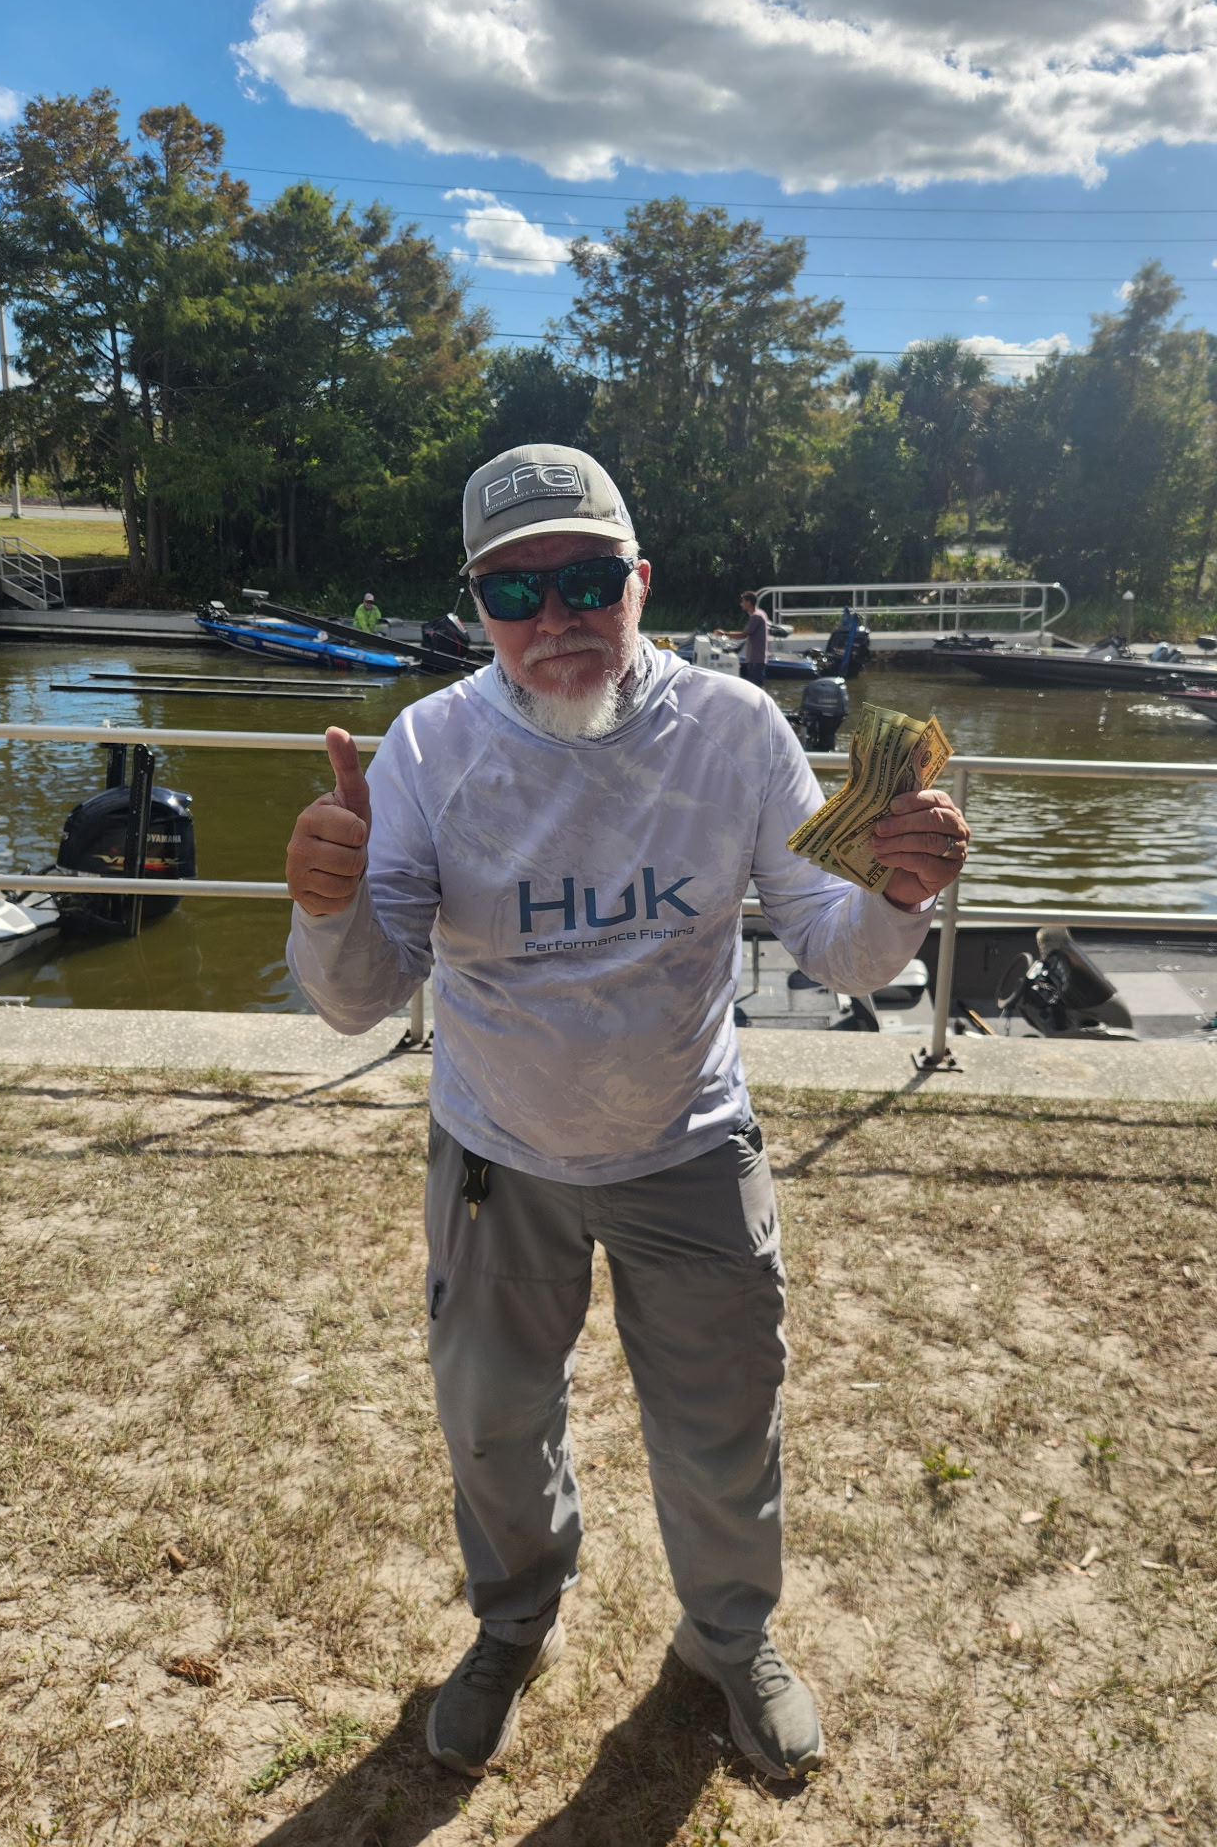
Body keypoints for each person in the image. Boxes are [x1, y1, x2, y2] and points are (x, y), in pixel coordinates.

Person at [284, 444, 969, 1784]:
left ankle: (731, 1640)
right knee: (491, 1419)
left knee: (725, 1420)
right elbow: (360, 1000)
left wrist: (895, 894)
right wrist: (326, 904)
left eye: (590, 580)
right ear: (474, 605)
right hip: (496, 1153)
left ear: (640, 581)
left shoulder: (734, 728)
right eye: (515, 592)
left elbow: (831, 948)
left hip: (692, 1140)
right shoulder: (429, 745)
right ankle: (513, 1621)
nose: (557, 621)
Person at [720, 589, 769, 681]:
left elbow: (743, 635)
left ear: (749, 603)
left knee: (756, 686)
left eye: (743, 601)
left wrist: (724, 634)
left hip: (756, 660)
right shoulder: (761, 613)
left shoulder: (756, 617)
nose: (741, 604)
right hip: (757, 659)